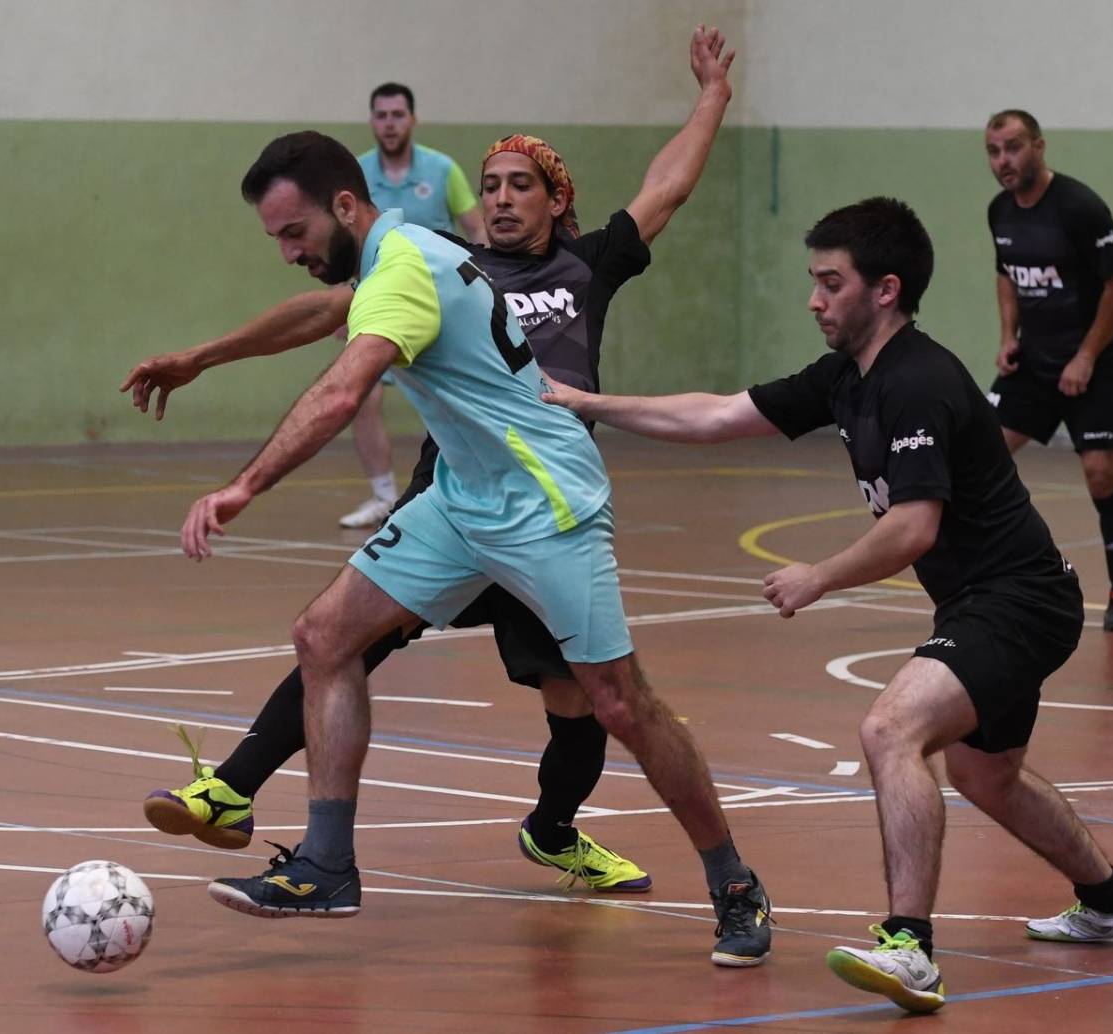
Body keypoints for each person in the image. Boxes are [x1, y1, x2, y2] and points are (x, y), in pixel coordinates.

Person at [125, 25, 743, 925]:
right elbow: (315, 317)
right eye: (487, 184)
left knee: (611, 702)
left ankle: (725, 877)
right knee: (330, 637)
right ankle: (315, 854)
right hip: (457, 491)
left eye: (517, 185)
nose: (498, 199)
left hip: (544, 502)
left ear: (554, 200)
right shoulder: (429, 256)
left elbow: (342, 388)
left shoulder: (549, 264)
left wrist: (241, 486)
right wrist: (203, 357)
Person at [542, 197, 1113, 1013]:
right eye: (813, 281)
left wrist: (818, 576)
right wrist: (591, 404)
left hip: (1019, 600)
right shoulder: (845, 377)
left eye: (831, 283)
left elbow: (913, 526)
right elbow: (722, 414)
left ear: (885, 290)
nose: (814, 300)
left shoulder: (919, 382)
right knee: (988, 775)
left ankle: (910, 948)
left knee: (890, 729)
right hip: (989, 602)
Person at [984, 109, 1113, 630]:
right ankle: (990, 578)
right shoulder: (999, 211)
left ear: (1039, 146)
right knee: (977, 451)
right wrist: (1009, 336)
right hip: (1033, 361)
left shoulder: (1079, 206)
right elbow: (1007, 275)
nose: (1003, 161)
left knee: (1101, 475)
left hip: (1096, 361)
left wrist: (1086, 357)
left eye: (1013, 147)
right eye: (993, 151)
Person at [340, 82, 488, 529]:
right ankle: (384, 497)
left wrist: (485, 290)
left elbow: (477, 230)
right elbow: (348, 243)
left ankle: (466, 487)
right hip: (381, 308)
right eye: (381, 115)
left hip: (441, 308)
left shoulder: (443, 170)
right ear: (372, 122)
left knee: (456, 400)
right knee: (359, 395)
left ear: (413, 119)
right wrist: (346, 304)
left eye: (397, 114)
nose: (389, 123)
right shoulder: (358, 174)